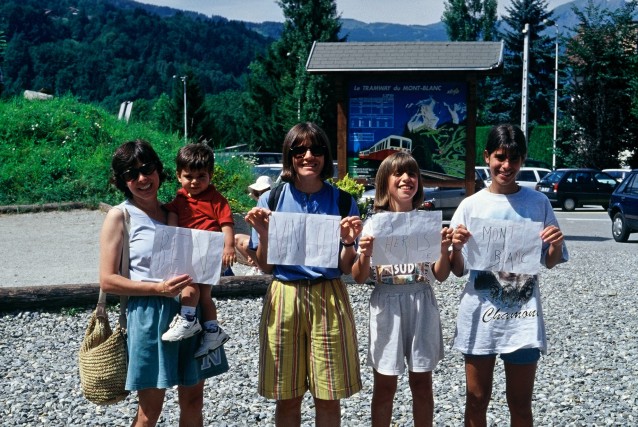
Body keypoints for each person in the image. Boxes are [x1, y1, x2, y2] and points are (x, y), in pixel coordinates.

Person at [99, 139, 228, 426]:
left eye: (147, 169)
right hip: (148, 315)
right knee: (150, 411)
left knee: (194, 402)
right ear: (122, 181)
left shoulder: (175, 211)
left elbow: (214, 232)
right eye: (131, 175)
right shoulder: (120, 216)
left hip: (188, 310)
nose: (142, 179)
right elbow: (108, 281)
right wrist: (157, 288)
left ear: (159, 170)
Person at [449, 124, 568, 427]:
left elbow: (551, 262)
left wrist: (556, 242)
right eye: (500, 157)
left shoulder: (537, 203)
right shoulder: (470, 205)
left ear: (523, 160)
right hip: (479, 316)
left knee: (520, 403)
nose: (506, 166)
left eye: (514, 159)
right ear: (487, 156)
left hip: (523, 320)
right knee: (476, 400)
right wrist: (456, 247)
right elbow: (457, 268)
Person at [244, 122, 363, 426]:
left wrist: (349, 241)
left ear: (326, 155)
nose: (309, 155)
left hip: (329, 293)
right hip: (285, 293)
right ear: (290, 155)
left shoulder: (344, 202)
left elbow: (348, 267)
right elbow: (267, 266)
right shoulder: (269, 201)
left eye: (317, 149)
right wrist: (263, 233)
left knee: (328, 395)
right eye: (300, 149)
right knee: (287, 396)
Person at [351, 152, 453, 426]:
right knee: (385, 385)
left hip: (421, 300)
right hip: (386, 303)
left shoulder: (428, 222)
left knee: (422, 382)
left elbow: (439, 275)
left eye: (412, 174)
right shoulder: (373, 224)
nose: (407, 179)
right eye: (398, 174)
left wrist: (444, 249)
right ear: (385, 182)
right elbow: (359, 277)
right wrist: (363, 254)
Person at [162, 143, 232, 358]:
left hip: (208, 250)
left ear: (210, 175)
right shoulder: (180, 199)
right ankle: (212, 330)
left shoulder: (216, 199)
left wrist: (228, 247)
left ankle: (188, 319)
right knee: (202, 295)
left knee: (192, 288)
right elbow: (172, 223)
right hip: (187, 248)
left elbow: (227, 223)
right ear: (178, 176)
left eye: (201, 176)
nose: (194, 181)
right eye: (188, 176)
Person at [235, 175, 273, 270]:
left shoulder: (274, 203)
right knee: (237, 239)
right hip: (259, 243)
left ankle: (260, 263)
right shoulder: (258, 206)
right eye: (257, 193)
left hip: (272, 244)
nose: (261, 196)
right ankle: (257, 261)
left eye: (264, 192)